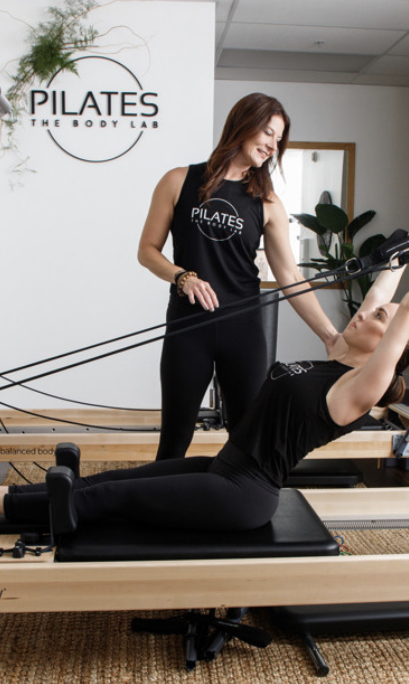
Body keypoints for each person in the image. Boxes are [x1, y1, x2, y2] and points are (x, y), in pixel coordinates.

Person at [0, 189, 409, 535]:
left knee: (106, 502)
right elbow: (386, 289)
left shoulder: (362, 385)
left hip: (242, 493)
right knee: (108, 481)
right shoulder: (339, 352)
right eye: (370, 311)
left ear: (391, 349)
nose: (366, 312)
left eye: (378, 320)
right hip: (221, 467)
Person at [137, 93, 341, 461]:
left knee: (247, 441)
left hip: (243, 331)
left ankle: (232, 496)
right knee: (174, 441)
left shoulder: (267, 202)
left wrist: (330, 335)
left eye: (279, 139)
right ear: (243, 125)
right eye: (268, 133)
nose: (273, 146)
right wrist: (182, 277)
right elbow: (147, 250)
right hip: (188, 328)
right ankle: (164, 497)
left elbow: (290, 276)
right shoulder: (178, 181)